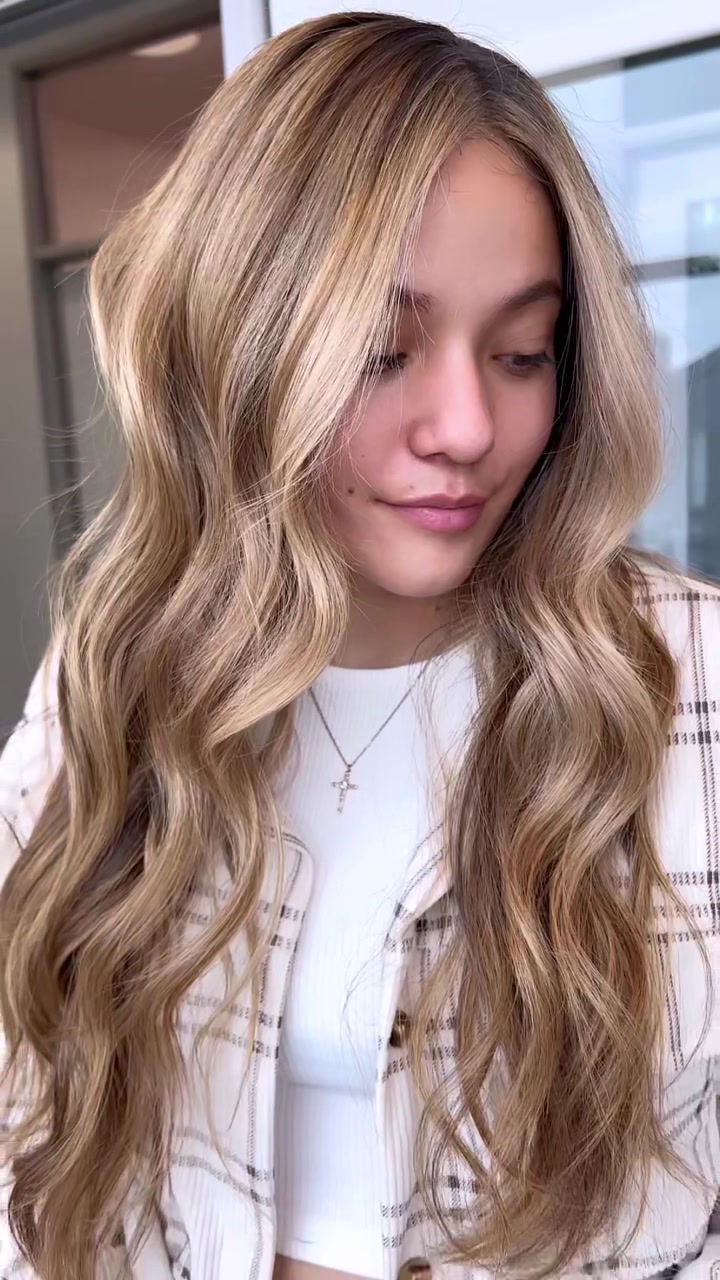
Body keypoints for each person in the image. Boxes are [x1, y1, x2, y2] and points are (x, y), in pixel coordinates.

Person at [0, 10, 718, 1280]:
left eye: (522, 352)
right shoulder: (117, 673)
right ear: (237, 347)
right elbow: (30, 1084)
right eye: (383, 351)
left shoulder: (689, 686)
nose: (467, 425)